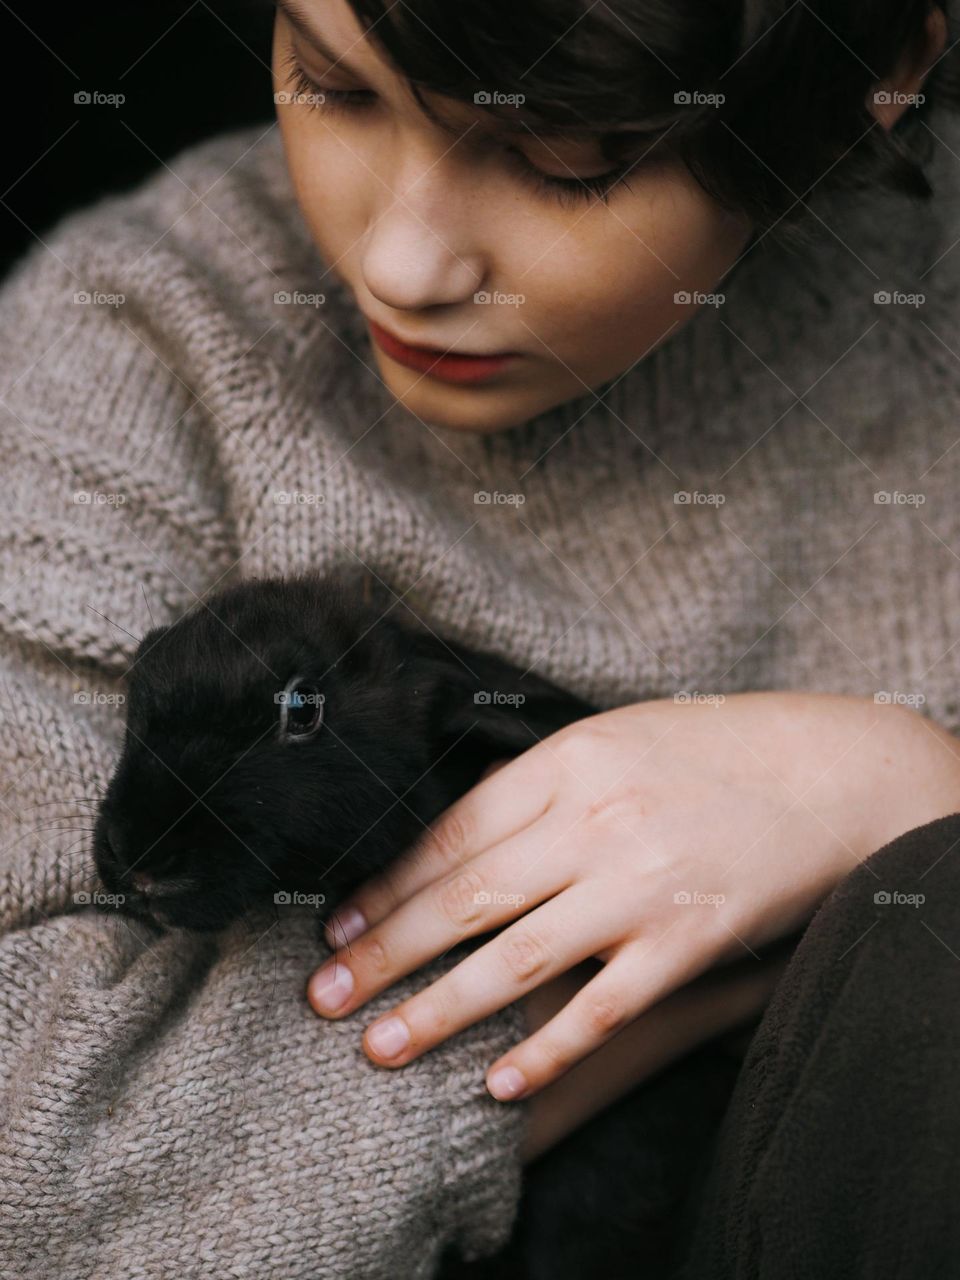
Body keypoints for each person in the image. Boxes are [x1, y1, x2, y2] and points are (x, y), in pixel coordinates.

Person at [1, 0, 959, 1275]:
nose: (404, 264)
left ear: (882, 72)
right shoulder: (140, 343)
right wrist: (692, 978)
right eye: (335, 87)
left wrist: (900, 793)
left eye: (564, 160)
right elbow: (47, 1185)